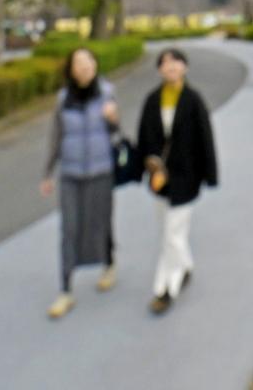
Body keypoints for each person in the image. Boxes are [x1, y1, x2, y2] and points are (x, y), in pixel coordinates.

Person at [136, 48, 218, 315]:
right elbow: (144, 138)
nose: (171, 67)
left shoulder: (193, 100)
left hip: (187, 177)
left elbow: (206, 138)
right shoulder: (152, 100)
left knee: (171, 235)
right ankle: (186, 265)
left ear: (185, 67)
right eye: (165, 63)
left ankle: (165, 289)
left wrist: (210, 175)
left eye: (176, 62)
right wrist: (144, 168)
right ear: (159, 69)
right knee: (170, 232)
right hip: (160, 179)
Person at [40, 47, 119, 319]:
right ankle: (65, 290)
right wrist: (48, 173)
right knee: (69, 228)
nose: (85, 67)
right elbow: (56, 135)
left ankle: (109, 264)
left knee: (101, 221)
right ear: (71, 70)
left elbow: (116, 133)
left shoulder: (107, 93)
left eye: (89, 61)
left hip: (101, 170)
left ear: (95, 66)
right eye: (79, 63)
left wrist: (113, 119)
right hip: (71, 174)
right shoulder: (63, 99)